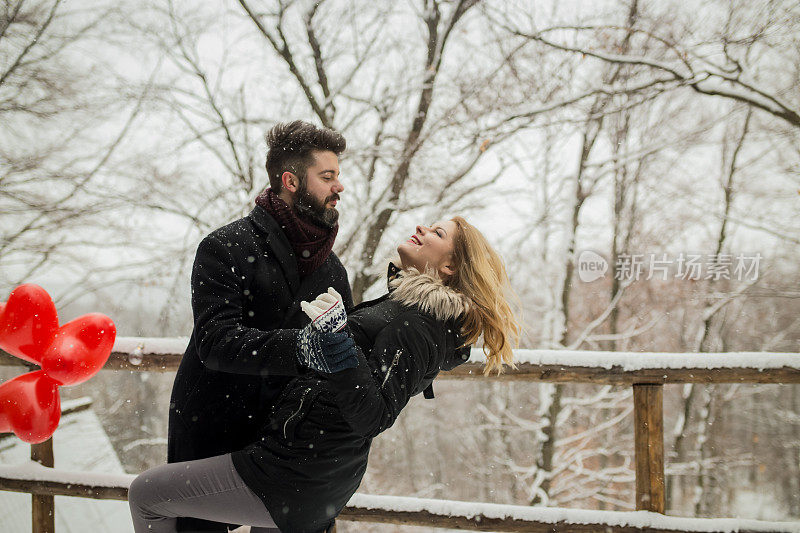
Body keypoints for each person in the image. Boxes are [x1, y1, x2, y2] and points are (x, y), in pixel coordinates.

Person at [132, 217, 519, 533]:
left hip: (291, 473)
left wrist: (335, 340)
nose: (421, 228)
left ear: (449, 267)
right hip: (304, 467)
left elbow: (374, 414)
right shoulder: (408, 308)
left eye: (437, 233)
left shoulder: (417, 325)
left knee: (147, 495)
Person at [167, 120, 353, 532]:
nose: (339, 187)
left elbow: (344, 356)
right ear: (290, 180)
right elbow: (215, 342)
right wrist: (303, 348)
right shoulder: (224, 247)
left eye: (337, 176)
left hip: (287, 446)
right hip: (212, 432)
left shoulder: (333, 271)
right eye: (327, 176)